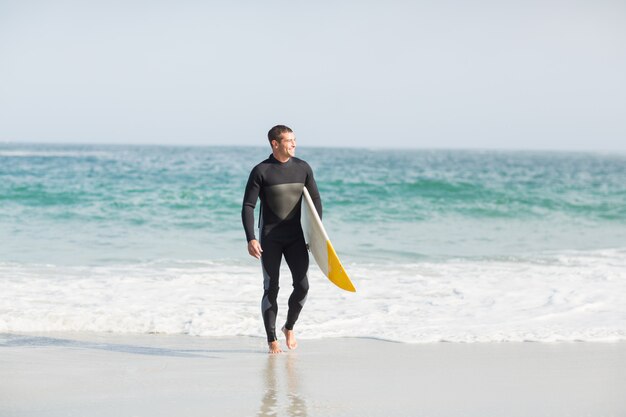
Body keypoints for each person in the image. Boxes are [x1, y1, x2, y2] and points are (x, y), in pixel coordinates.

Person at [242, 125, 322, 354]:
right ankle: (272, 339)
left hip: (296, 236)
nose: (294, 144)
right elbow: (248, 206)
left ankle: (289, 326)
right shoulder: (261, 171)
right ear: (274, 144)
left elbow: (315, 201)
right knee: (271, 287)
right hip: (270, 237)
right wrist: (251, 238)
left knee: (303, 286)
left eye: (294, 140)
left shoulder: (303, 168)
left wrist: (315, 234)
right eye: (289, 140)